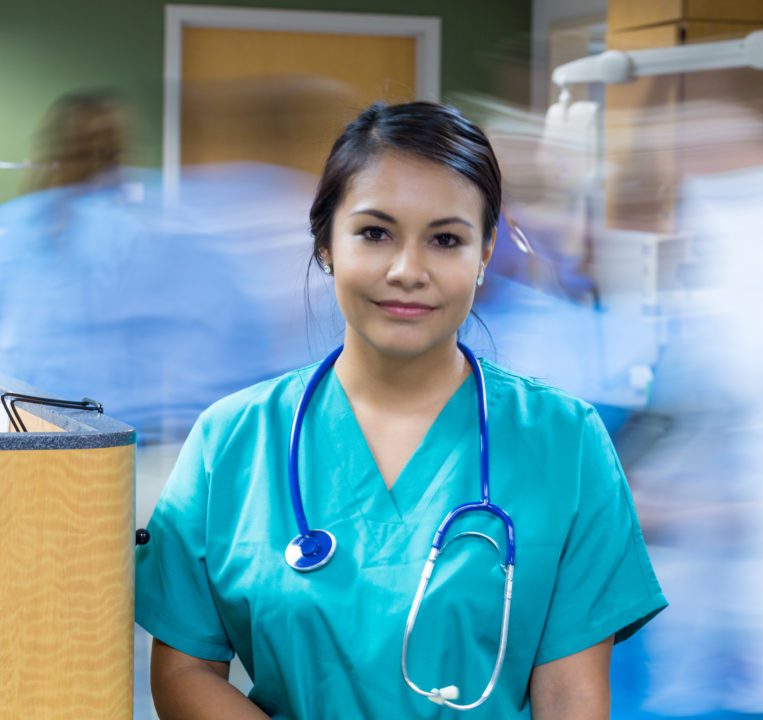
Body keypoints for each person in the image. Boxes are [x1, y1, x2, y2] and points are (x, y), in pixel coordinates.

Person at [134, 101, 667, 719]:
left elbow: (571, 696)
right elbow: (184, 670)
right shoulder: (230, 442)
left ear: (486, 253)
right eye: (374, 233)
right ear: (326, 243)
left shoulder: (565, 442)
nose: (407, 270)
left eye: (446, 239)